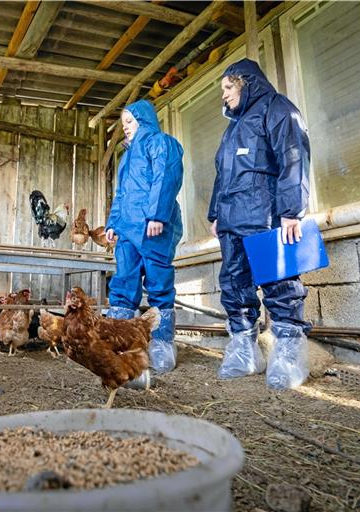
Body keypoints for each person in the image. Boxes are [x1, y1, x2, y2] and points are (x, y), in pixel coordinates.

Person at [208, 58, 311, 390]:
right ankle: (244, 350)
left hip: (265, 212)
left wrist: (292, 210)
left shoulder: (277, 108)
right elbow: (221, 175)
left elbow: (293, 155)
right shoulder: (231, 129)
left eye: (228, 86)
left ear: (246, 82)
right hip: (231, 218)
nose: (223, 94)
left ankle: (289, 354)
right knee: (234, 283)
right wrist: (215, 214)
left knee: (278, 280)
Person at [105, 99, 184, 379]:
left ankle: (162, 342)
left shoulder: (161, 143)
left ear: (144, 120)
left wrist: (157, 215)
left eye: (130, 121)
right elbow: (122, 193)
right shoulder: (126, 157)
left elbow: (166, 178)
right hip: (127, 229)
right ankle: (119, 341)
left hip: (153, 227)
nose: (125, 127)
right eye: (123, 123)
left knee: (158, 281)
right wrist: (113, 223)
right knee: (123, 281)